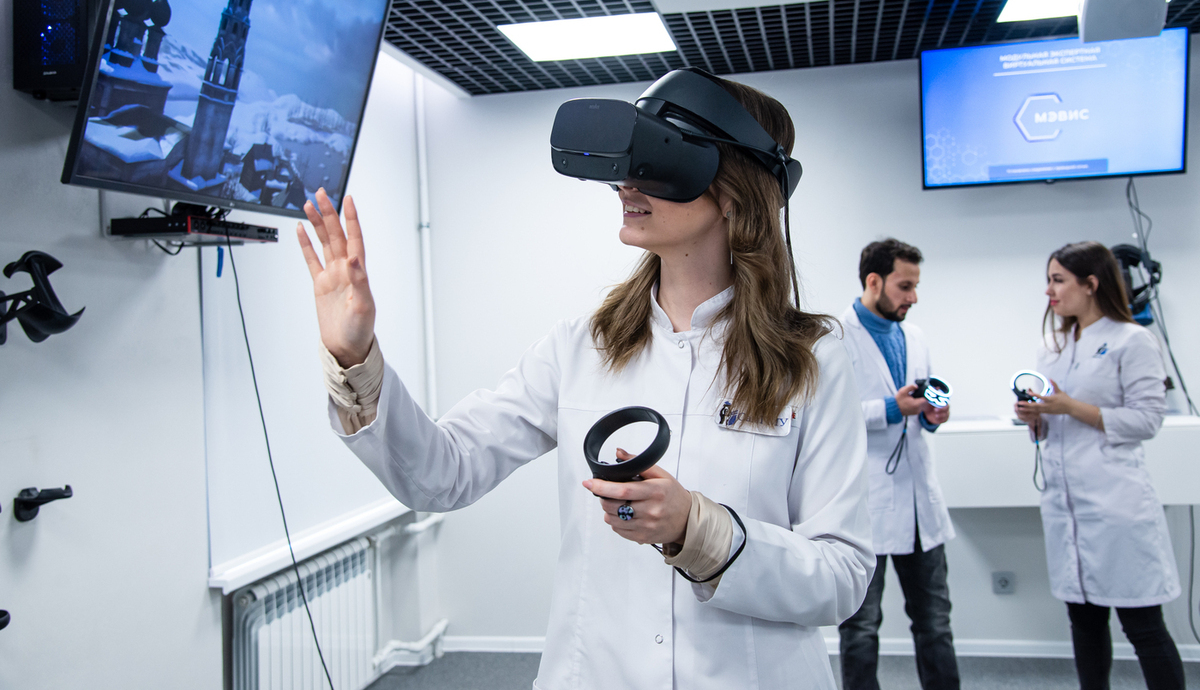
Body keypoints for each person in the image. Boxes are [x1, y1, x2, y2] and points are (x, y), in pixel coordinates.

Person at [296, 71, 875, 690]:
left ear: (733, 191)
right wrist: (354, 357)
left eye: (656, 160)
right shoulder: (580, 348)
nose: (626, 184)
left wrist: (699, 530)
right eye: (628, 163)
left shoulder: (813, 360)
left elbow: (842, 577)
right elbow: (443, 473)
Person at [1014, 241, 1184, 690]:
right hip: (1066, 507)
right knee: (1085, 625)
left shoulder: (1133, 340)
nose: (1049, 290)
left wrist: (1070, 407)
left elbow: (1147, 420)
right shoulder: (1053, 346)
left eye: (1058, 280)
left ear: (1091, 284)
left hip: (1116, 507)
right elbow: (1053, 423)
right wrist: (1035, 417)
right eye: (1048, 280)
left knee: (1143, 628)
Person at [837, 239, 959, 690]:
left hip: (919, 501)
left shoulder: (915, 336)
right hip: (866, 503)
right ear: (874, 281)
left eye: (915, 286)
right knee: (861, 626)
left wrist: (931, 416)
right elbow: (827, 418)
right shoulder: (835, 337)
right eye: (905, 287)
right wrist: (891, 408)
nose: (914, 297)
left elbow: (919, 406)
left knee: (935, 623)